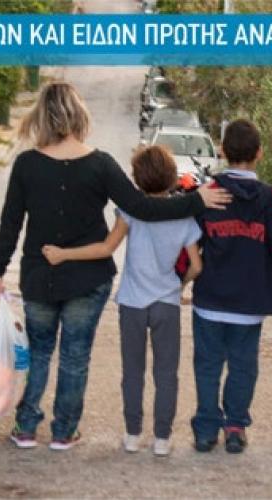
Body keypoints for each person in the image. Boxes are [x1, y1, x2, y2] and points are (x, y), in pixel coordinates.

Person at [0, 82, 230, 451]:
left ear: (42, 117)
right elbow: (143, 207)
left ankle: (26, 427)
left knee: (39, 352)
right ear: (79, 115)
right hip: (87, 279)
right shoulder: (100, 164)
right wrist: (196, 200)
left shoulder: (26, 164)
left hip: (39, 275)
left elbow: (10, 224)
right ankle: (64, 431)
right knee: (75, 356)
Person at [41, 145, 203, 457]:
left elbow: (105, 248)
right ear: (172, 177)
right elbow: (196, 266)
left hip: (132, 302)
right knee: (166, 373)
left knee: (132, 371)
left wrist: (63, 254)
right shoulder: (183, 217)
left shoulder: (131, 211)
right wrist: (179, 286)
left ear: (137, 179)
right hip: (166, 303)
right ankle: (162, 438)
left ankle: (132, 434)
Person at [190, 119, 272, 454]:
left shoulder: (208, 194)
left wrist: (175, 277)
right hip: (249, 303)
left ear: (222, 151)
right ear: (259, 153)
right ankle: (235, 427)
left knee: (207, 365)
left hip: (210, 300)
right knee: (243, 366)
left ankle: (205, 430)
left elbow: (188, 242)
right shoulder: (270, 198)